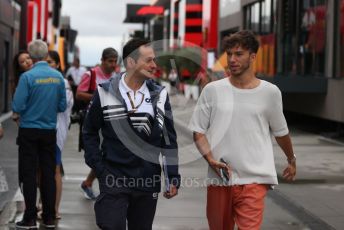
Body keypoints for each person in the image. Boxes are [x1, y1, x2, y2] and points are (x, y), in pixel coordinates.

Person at [189, 30, 296, 230]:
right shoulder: (212, 90)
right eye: (229, 54)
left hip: (254, 179)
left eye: (239, 54)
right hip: (220, 179)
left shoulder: (270, 93)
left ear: (253, 56)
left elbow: (281, 131)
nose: (232, 59)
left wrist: (292, 159)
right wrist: (210, 160)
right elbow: (198, 131)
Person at [83, 38, 180, 230]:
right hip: (113, 177)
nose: (154, 65)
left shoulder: (160, 95)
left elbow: (168, 139)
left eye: (154, 60)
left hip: (147, 179)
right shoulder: (105, 92)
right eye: (149, 60)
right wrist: (99, 168)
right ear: (131, 62)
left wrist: (172, 176)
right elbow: (89, 131)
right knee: (111, 225)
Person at [12, 40, 66, 229]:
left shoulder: (27, 77)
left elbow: (17, 106)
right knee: (48, 173)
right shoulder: (58, 77)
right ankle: (49, 217)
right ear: (45, 55)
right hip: (49, 131)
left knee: (28, 174)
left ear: (31, 55)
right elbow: (62, 106)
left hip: (29, 130)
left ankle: (30, 218)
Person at [76, 47, 118, 200]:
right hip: (93, 122)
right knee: (98, 156)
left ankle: (89, 183)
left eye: (115, 61)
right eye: (110, 61)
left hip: (111, 121)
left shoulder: (117, 77)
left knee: (107, 155)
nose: (113, 65)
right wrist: (99, 97)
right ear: (102, 60)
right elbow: (79, 94)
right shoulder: (91, 74)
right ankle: (94, 184)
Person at [46, 50, 74, 219]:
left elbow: (64, 105)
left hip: (55, 132)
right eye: (45, 61)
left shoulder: (63, 83)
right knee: (40, 172)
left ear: (57, 64)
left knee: (55, 170)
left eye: (50, 62)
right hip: (40, 131)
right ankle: (43, 204)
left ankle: (54, 209)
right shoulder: (36, 79)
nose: (48, 64)